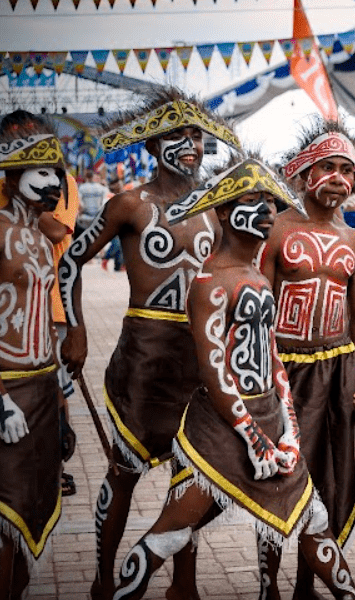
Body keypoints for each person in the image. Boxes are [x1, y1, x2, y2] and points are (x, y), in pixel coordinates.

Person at [112, 155, 355, 600]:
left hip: (266, 419)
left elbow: (272, 358)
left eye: (269, 201)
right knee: (167, 535)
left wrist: (286, 424)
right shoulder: (210, 283)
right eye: (252, 202)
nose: (266, 211)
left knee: (313, 520)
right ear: (224, 212)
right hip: (221, 431)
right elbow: (213, 372)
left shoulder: (255, 276)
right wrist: (253, 437)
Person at [57, 87, 242, 600]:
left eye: (197, 136)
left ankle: (184, 582)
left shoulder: (215, 209)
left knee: (191, 472)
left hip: (197, 356)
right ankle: (101, 578)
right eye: (178, 135)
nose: (190, 145)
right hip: (144, 355)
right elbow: (71, 259)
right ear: (152, 144)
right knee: (123, 469)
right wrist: (76, 328)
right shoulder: (129, 204)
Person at [257, 119, 355, 600]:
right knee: (279, 479)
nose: (340, 179)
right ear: (305, 171)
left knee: (331, 480)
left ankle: (307, 586)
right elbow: (256, 314)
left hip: (339, 371)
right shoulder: (274, 228)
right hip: (284, 369)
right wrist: (263, 376)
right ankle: (269, 585)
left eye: (347, 170)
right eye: (328, 167)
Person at [0, 115, 70, 599]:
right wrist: (0, 399)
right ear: (10, 176)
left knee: (31, 508)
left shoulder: (45, 238)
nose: (50, 182)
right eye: (38, 171)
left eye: (54, 171)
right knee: (5, 508)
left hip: (44, 384)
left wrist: (61, 395)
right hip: (9, 390)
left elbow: (46, 317)